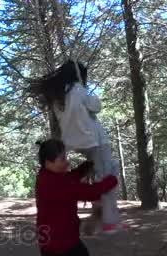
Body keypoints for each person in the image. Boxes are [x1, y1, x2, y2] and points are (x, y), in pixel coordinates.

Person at [29, 60, 124, 233]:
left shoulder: (57, 97)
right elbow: (96, 106)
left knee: (98, 173)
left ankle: (99, 213)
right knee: (108, 176)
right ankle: (109, 222)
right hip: (95, 140)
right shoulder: (78, 90)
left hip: (74, 142)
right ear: (78, 75)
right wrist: (87, 92)